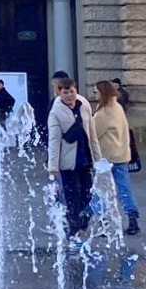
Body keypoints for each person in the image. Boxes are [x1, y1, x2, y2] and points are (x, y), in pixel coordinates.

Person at [45, 74, 94, 236]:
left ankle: (79, 220)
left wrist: (99, 159)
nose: (68, 95)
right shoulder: (56, 112)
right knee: (72, 195)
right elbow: (54, 139)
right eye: (65, 92)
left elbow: (92, 134)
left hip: (85, 158)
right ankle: (72, 229)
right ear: (60, 93)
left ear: (76, 90)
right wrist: (53, 165)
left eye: (71, 91)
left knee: (87, 194)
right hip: (68, 161)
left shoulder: (83, 106)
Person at [92, 79, 140, 236]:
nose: (94, 95)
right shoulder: (118, 107)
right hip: (122, 155)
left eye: (96, 91)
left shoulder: (104, 113)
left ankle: (102, 221)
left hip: (107, 158)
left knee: (100, 190)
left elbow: (93, 134)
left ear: (103, 93)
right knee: (124, 188)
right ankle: (132, 217)